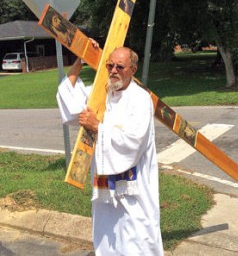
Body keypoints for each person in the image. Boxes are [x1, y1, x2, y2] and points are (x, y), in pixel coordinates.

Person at [56, 43, 164, 255]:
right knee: (108, 240)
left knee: (138, 239)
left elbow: (133, 141)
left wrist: (97, 127)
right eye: (110, 65)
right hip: (105, 188)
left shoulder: (140, 100)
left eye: (120, 67)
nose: (113, 71)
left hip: (133, 189)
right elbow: (68, 95)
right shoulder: (100, 94)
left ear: (133, 70)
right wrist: (81, 59)